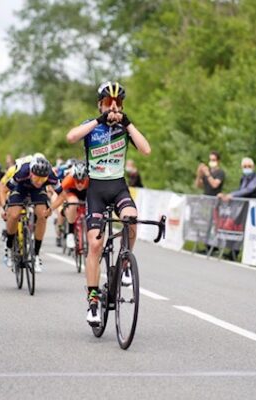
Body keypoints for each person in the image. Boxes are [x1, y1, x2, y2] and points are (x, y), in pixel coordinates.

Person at [66, 81, 151, 325]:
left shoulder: (125, 128)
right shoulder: (92, 126)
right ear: (100, 104)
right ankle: (93, 302)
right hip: (96, 189)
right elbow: (71, 137)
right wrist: (99, 120)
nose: (113, 107)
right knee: (95, 245)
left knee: (131, 219)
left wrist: (128, 123)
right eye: (107, 102)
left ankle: (125, 264)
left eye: (118, 103)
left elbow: (146, 150)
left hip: (118, 187)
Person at [0, 155, 58, 272]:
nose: (39, 182)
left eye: (42, 180)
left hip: (38, 191)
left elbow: (63, 194)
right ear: (31, 173)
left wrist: (51, 208)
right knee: (14, 215)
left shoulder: (51, 175)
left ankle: (36, 255)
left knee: (42, 215)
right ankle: (9, 246)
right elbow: (3, 190)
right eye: (36, 178)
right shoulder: (22, 173)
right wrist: (4, 207)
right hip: (20, 188)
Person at [49, 161, 89, 249]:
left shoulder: (91, 180)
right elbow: (59, 195)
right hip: (71, 192)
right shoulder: (68, 179)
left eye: (82, 181)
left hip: (86, 192)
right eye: (77, 181)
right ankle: (70, 233)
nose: (79, 184)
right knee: (73, 202)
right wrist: (54, 208)